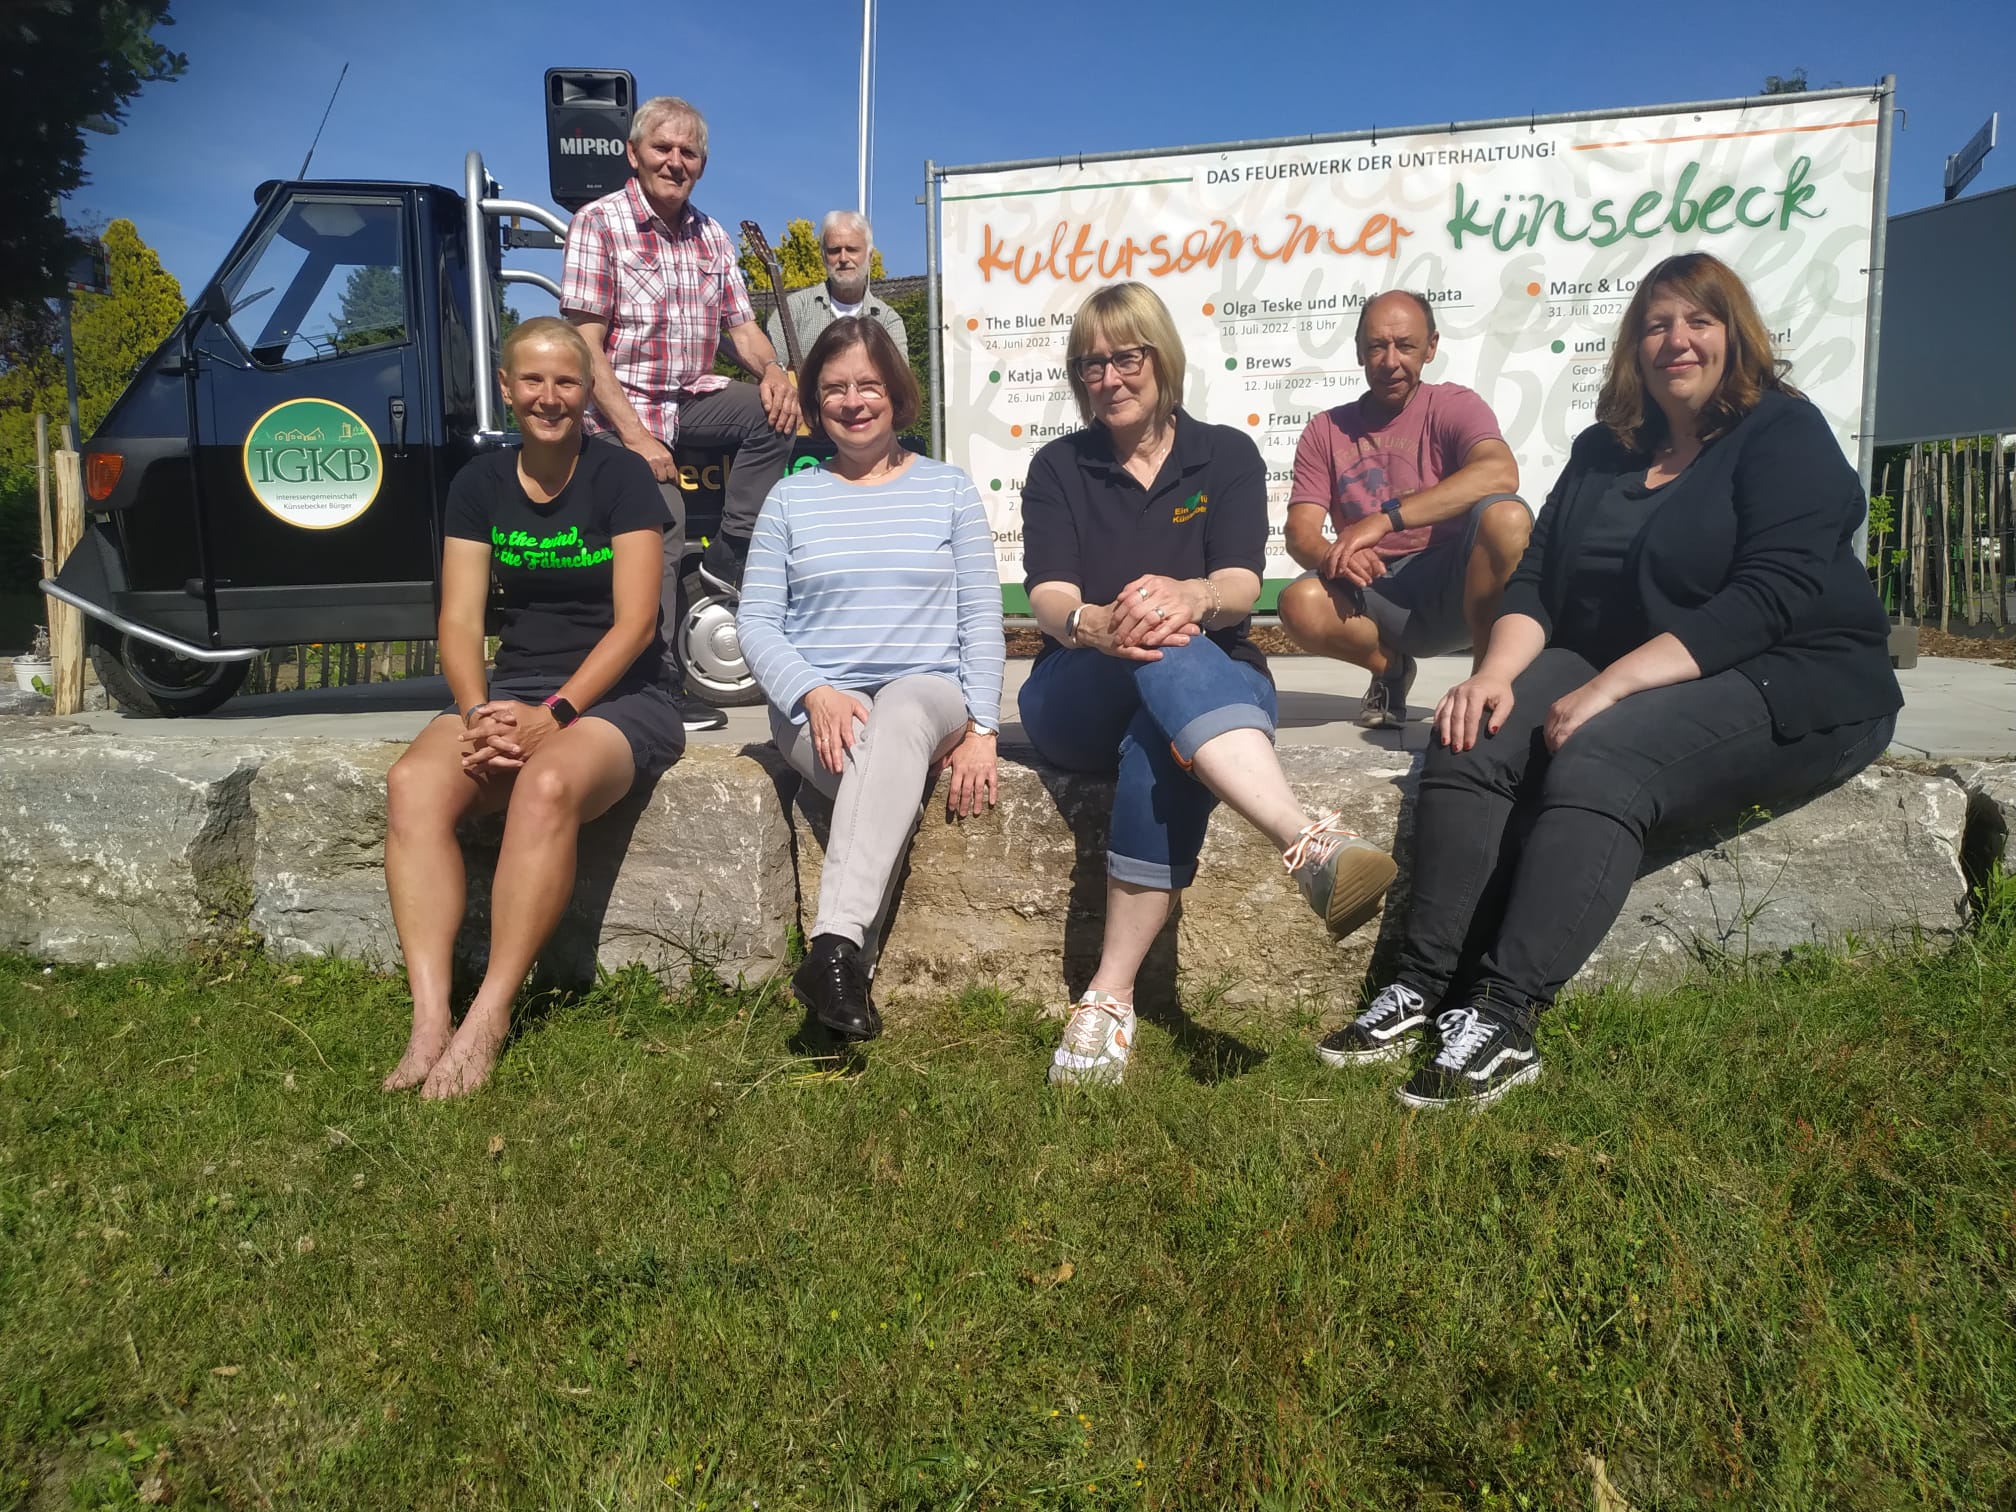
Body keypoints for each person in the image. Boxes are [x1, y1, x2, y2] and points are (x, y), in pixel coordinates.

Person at [1319, 252, 1903, 1111]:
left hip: (1794, 672)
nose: (1678, 340)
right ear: (1635, 345)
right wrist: (1497, 674)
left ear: (1735, 335)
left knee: (1602, 761)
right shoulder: (1606, 449)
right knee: (1469, 729)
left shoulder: (1783, 433)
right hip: (1635, 657)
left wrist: (1610, 688)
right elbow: (1538, 579)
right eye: (1657, 324)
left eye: (1699, 321)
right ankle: (1423, 983)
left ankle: (1504, 1014)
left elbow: (1766, 600)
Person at [1019, 282, 1397, 1087]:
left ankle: (1109, 997)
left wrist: (1190, 596)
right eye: (1090, 364)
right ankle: (1305, 840)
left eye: (1126, 357)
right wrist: (1096, 623)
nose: (1108, 378)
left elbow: (1239, 581)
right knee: (1160, 645)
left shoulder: (1224, 454)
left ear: (1162, 357)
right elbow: (1048, 595)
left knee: (1164, 728)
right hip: (1079, 682)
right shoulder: (1059, 466)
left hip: (1209, 679)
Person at [381, 317, 685, 1099]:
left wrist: (555, 714)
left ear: (587, 391)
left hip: (620, 696)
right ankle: (429, 1019)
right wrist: (478, 712)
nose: (550, 397)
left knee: (546, 786)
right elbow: (458, 621)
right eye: (534, 380)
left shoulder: (620, 477)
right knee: (412, 784)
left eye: (567, 381)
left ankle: (489, 1014)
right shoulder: (478, 484)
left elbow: (636, 624)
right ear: (507, 388)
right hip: (513, 690)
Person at [738, 317, 1004, 1041]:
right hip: (818, 704)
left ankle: (830, 947)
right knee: (881, 761)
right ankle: (842, 969)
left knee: (902, 713)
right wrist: (813, 691)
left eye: (868, 385)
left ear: (896, 393)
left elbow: (981, 618)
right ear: (814, 402)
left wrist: (983, 728)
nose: (852, 402)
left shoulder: (948, 489)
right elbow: (756, 623)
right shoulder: (790, 498)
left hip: (928, 693)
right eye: (833, 389)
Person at [560, 94, 800, 732]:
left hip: (691, 396)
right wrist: (637, 438)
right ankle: (657, 682)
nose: (675, 161)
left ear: (701, 164)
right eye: (662, 148)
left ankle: (730, 554)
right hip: (620, 409)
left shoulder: (711, 236)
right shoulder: (598, 223)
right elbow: (584, 346)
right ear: (633, 154)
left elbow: (742, 329)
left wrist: (774, 371)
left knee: (774, 412)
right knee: (660, 527)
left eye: (688, 152)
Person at [1277, 290, 1532, 727]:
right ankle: (1391, 671)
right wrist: (1336, 555)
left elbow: (1500, 472)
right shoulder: (1325, 430)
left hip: (1456, 589)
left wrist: (1384, 520)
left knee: (1507, 515)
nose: (1390, 361)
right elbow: (1300, 533)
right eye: (1377, 346)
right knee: (1299, 602)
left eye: (1406, 346)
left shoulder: (1454, 405)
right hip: (1374, 591)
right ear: (1359, 351)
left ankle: (1485, 686)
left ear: (1431, 347)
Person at [763, 210, 909, 362]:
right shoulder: (794, 309)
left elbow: (898, 375)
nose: (843, 258)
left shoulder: (887, 321)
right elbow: (771, 367)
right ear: (823, 257)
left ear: (870, 256)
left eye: (852, 249)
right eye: (834, 250)